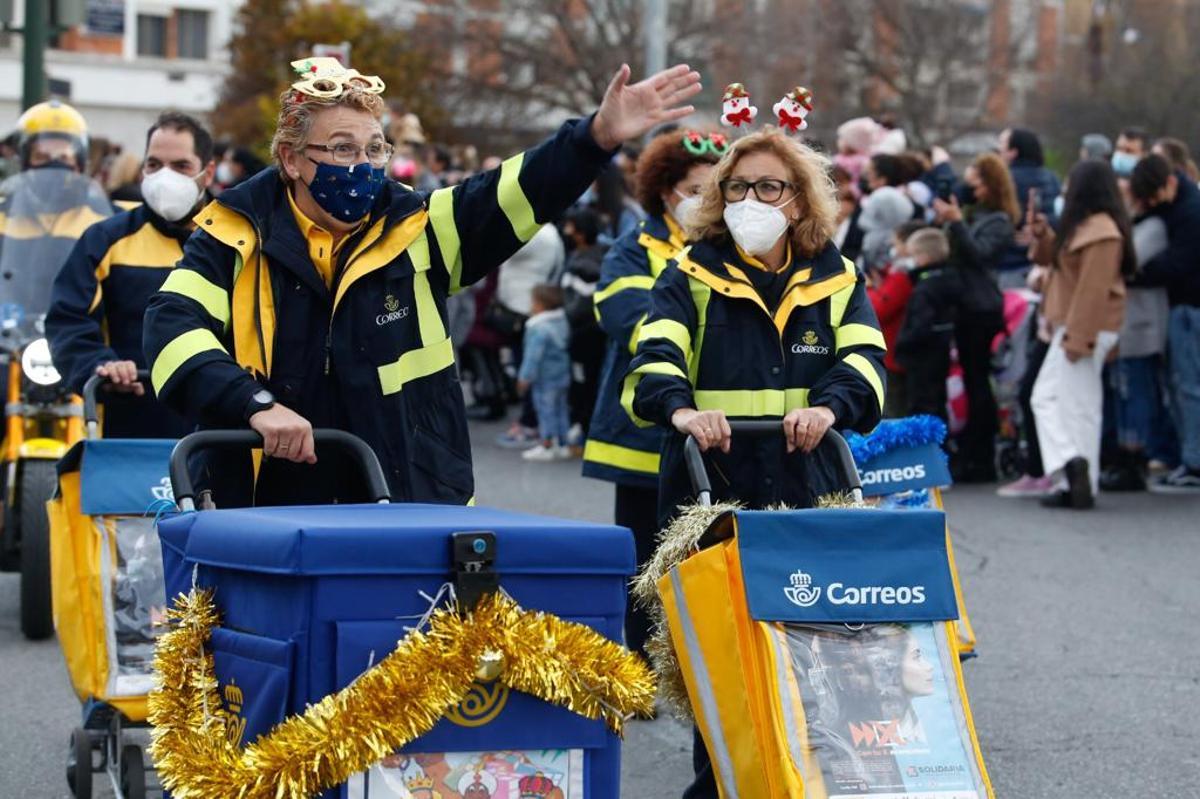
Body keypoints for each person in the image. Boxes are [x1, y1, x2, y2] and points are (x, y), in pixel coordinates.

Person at [143, 57, 701, 506]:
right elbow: (171, 330)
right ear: (290, 158)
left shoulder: (419, 228)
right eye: (342, 149)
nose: (362, 165)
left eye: (374, 149)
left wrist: (595, 137)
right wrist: (254, 403)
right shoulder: (232, 235)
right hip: (269, 501)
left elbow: (510, 192)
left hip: (407, 496)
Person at [623, 127, 885, 798]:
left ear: (798, 200)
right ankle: (722, 785)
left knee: (811, 659)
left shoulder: (837, 275)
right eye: (738, 187)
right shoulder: (690, 272)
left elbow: (866, 362)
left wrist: (828, 407)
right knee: (723, 663)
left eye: (769, 186)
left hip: (806, 486)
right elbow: (653, 357)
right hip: (712, 496)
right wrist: (682, 410)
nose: (751, 199)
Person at [583, 128, 722, 662]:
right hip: (641, 427)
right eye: (694, 188)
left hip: (711, 424)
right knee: (642, 554)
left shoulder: (726, 249)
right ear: (665, 190)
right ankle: (639, 663)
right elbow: (625, 318)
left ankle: (696, 665)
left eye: (714, 190)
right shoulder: (632, 248)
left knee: (702, 548)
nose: (703, 201)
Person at [47, 112, 216, 439]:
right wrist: (99, 365)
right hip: (126, 432)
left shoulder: (238, 240)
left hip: (217, 433)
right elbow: (67, 320)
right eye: (154, 165)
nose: (165, 177)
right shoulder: (105, 240)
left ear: (207, 173)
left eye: (181, 166)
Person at [1028, 159, 1134, 509]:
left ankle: (1069, 464)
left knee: (1047, 398)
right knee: (1080, 407)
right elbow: (1056, 265)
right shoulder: (1089, 227)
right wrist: (1042, 234)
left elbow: (1093, 289)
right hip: (1079, 326)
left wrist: (1078, 337)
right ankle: (1076, 480)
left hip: (1081, 327)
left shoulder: (1101, 231)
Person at [933, 153, 1018, 482]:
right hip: (962, 305)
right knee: (970, 380)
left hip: (981, 309)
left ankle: (982, 454)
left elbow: (979, 255)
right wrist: (947, 220)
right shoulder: (973, 214)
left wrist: (956, 222)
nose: (971, 189)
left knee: (978, 381)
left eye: (976, 183)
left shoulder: (998, 220)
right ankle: (971, 450)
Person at [1130, 154, 1200, 493]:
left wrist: (1134, 274)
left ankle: (1194, 461)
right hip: (1183, 306)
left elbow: (1178, 263)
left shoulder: (1190, 212)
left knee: (1188, 387)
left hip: (1189, 307)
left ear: (1170, 183)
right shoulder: (1179, 205)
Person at [894, 227, 960, 421]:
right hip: (940, 355)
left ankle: (925, 449)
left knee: (922, 406)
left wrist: (902, 345)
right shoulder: (949, 280)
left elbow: (920, 326)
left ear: (923, 257)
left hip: (922, 359)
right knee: (938, 402)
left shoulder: (924, 289)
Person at [558, 207, 608, 441]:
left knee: (584, 383)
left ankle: (585, 426)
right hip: (594, 334)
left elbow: (579, 306)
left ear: (580, 232)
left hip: (585, 336)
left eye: (570, 227)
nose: (566, 231)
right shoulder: (602, 253)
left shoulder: (585, 265)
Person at [867, 220, 924, 417]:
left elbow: (878, 308)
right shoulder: (898, 272)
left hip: (894, 352)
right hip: (896, 351)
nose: (893, 248)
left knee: (894, 411)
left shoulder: (902, 276)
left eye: (897, 243)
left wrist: (869, 289)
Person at [996, 127, 1060, 284]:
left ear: (1013, 151)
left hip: (1010, 262)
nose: (999, 150)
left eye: (1002, 144)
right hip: (1043, 263)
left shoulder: (1004, 181)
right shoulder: (1052, 179)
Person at [516, 284, 572, 462]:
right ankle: (563, 444)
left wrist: (524, 377)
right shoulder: (561, 322)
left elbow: (533, 356)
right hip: (562, 374)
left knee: (545, 410)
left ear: (540, 304)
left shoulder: (538, 328)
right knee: (561, 409)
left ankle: (547, 445)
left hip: (544, 377)